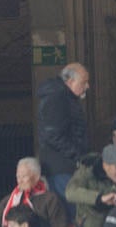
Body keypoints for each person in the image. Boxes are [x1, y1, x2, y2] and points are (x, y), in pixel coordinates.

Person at [37, 63, 91, 199]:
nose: (87, 86)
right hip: (61, 168)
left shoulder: (63, 96)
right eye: (84, 82)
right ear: (70, 81)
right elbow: (52, 134)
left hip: (64, 165)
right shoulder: (57, 97)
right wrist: (77, 155)